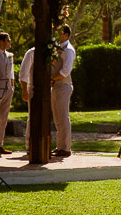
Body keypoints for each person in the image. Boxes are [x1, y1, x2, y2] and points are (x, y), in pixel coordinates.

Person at [50, 25, 76, 158]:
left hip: (63, 86)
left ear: (66, 35)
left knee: (63, 116)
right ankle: (59, 146)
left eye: (60, 33)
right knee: (57, 117)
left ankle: (65, 148)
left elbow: (65, 71)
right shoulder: (58, 48)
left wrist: (52, 78)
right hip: (56, 86)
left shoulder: (68, 50)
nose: (57, 35)